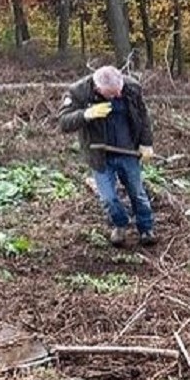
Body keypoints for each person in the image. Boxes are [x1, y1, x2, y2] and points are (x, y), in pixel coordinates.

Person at [58, 65, 156, 247]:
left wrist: (146, 143)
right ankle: (119, 225)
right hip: (99, 154)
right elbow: (64, 122)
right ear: (98, 88)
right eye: (111, 94)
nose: (117, 96)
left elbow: (143, 116)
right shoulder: (79, 92)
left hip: (128, 151)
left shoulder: (131, 87)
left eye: (119, 91)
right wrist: (86, 114)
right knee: (108, 198)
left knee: (137, 192)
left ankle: (146, 228)